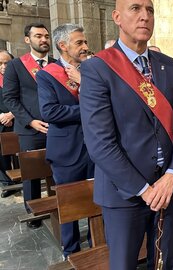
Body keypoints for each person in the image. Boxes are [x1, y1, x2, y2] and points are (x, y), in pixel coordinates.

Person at [79, 0, 173, 269]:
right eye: (136, 9)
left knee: (165, 262)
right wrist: (144, 190)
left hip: (166, 187)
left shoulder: (167, 65)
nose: (145, 17)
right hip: (124, 193)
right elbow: (100, 143)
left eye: (150, 10)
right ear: (117, 17)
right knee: (124, 264)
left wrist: (172, 176)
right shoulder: (98, 68)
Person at [36, 23, 95, 259]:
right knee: (69, 204)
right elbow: (50, 112)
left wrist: (85, 84)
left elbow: (108, 103)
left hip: (95, 148)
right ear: (63, 46)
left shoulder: (91, 70)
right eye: (79, 42)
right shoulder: (47, 74)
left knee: (97, 199)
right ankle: (70, 251)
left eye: (85, 42)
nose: (86, 47)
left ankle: (97, 242)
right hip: (66, 150)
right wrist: (88, 110)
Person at [3, 23, 55, 229]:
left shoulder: (56, 63)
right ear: (28, 40)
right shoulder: (16, 66)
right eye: (38, 36)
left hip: (55, 128)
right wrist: (30, 121)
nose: (43, 40)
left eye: (46, 36)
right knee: (32, 173)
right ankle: (33, 213)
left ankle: (58, 204)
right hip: (30, 130)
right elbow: (10, 98)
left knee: (56, 171)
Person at [0, 50, 16, 198]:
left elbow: (26, 98)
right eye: (0, 63)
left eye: (7, 63)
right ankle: (7, 183)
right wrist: (2, 116)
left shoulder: (18, 77)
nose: (3, 66)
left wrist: (12, 114)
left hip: (19, 119)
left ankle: (22, 177)